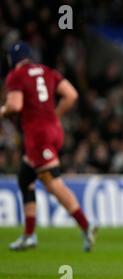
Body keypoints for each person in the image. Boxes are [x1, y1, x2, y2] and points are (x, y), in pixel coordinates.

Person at [0, 41, 96, 252]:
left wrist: (2, 111)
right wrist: (56, 116)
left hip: (37, 135)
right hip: (53, 130)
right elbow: (71, 95)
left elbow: (15, 105)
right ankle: (29, 234)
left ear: (13, 59)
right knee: (25, 178)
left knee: (53, 184)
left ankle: (85, 224)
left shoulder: (16, 75)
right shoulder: (46, 71)